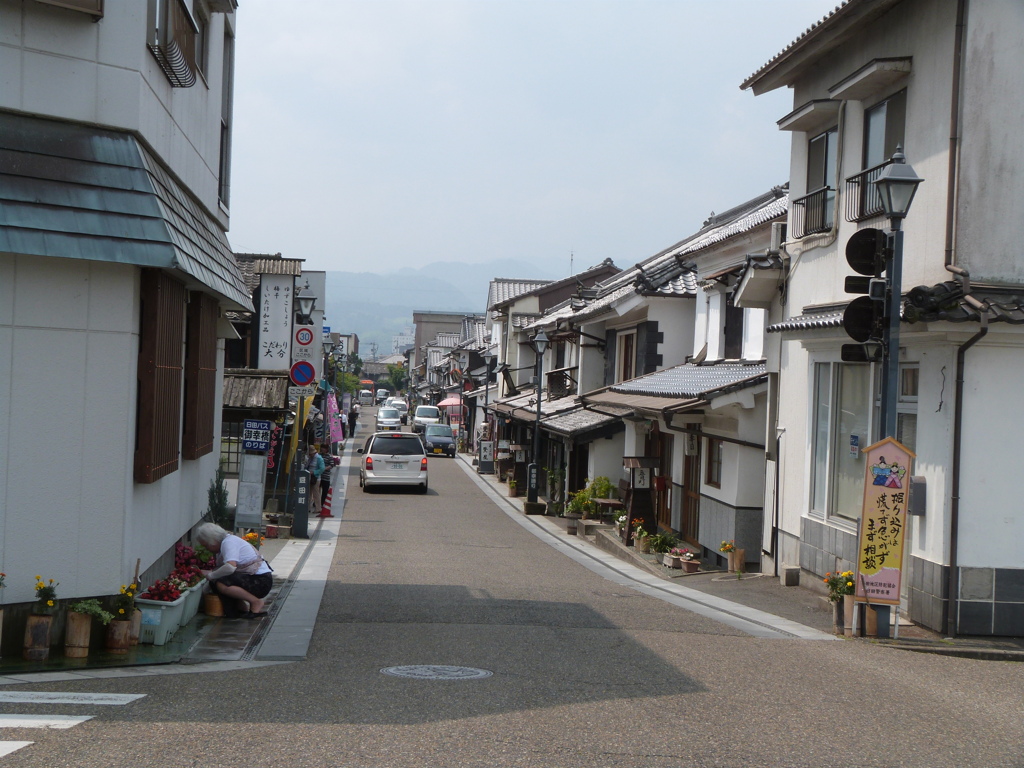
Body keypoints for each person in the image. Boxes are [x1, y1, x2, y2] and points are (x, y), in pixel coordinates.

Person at [195, 522, 272, 618]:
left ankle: (255, 602)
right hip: (254, 578)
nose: (207, 549)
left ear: (213, 541)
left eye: (206, 545)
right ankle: (241, 608)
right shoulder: (226, 542)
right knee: (218, 581)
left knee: (222, 583)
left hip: (261, 581)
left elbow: (230, 567)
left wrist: (211, 576)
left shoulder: (228, 542)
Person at [304, 444, 325, 513]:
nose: (310, 455)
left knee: (316, 493)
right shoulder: (310, 458)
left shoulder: (319, 458)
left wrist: (314, 472)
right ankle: (308, 508)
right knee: (308, 493)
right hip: (309, 477)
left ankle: (318, 508)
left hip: (316, 478)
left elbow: (322, 468)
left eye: (311, 454)